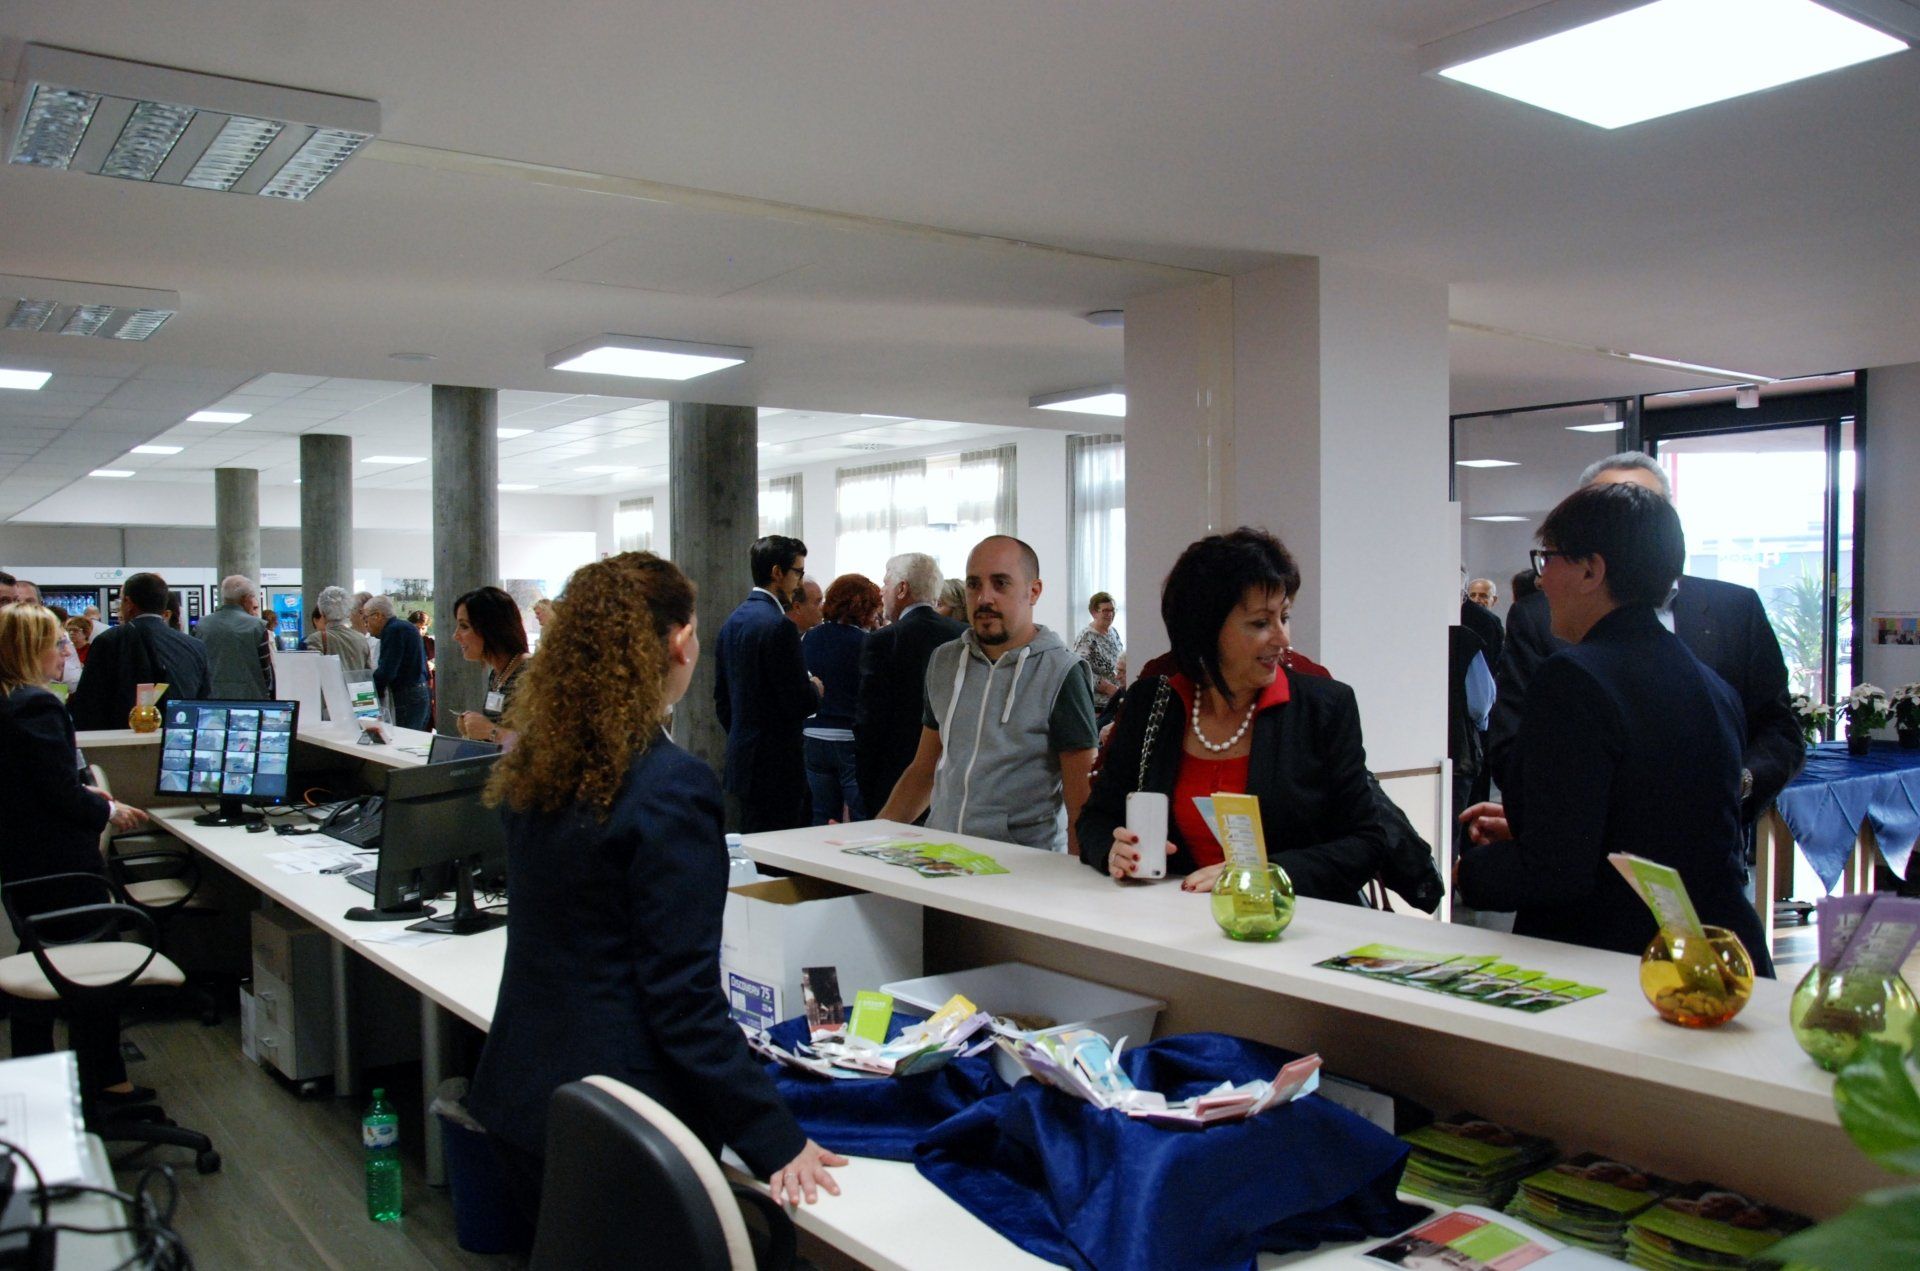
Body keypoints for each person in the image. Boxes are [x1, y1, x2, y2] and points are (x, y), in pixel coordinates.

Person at [467, 552, 843, 1219]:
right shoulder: (670, 786)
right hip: (623, 1118)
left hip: (525, 1096)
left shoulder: (536, 764)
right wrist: (777, 1140)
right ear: (677, 642)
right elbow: (683, 1001)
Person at [1457, 484, 1772, 970]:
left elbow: (1558, 870)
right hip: (1711, 954)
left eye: (1550, 560)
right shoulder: (1708, 684)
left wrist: (1468, 873)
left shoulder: (1573, 678)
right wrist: (1534, 826)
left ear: (1591, 569)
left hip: (1616, 960)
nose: (1541, 581)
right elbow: (1649, 821)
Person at [1487, 452, 1802, 825]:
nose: (1621, 523)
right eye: (1602, 510)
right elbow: (1513, 747)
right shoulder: (1540, 617)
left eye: (1637, 509)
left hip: (1708, 841)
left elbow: (1777, 728)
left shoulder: (1734, 609)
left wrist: (1735, 784)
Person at [1078, 529, 1388, 902]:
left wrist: (1263, 874)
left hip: (1295, 929)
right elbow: (1096, 819)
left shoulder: (1323, 708)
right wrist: (1112, 850)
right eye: (1261, 623)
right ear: (1206, 629)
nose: (1283, 638)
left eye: (1284, 617)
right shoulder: (1152, 704)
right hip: (1173, 930)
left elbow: (1367, 842)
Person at [0, 603, 154, 1104]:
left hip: (24, 866)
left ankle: (37, 1082)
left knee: (41, 961)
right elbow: (59, 792)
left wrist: (92, 799)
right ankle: (108, 1083)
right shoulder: (37, 706)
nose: (63, 651)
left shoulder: (9, 703)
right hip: (60, 863)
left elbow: (36, 786)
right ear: (30, 649)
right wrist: (106, 811)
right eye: (56, 643)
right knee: (90, 971)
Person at [877, 536, 1097, 853]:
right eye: (974, 584)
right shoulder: (945, 661)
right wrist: (870, 838)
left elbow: (1080, 800)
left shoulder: (1062, 672)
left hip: (1021, 869)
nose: (984, 598)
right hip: (942, 859)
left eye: (1000, 584)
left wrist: (1079, 885)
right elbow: (923, 772)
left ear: (1033, 591)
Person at [713, 535, 820, 832]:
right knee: (781, 854)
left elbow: (722, 698)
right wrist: (815, 689)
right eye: (797, 572)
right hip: (778, 766)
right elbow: (798, 701)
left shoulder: (733, 621)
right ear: (777, 573)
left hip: (744, 760)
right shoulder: (779, 625)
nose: (799, 582)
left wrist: (744, 735)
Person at [854, 552, 966, 815]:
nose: (881, 592)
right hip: (950, 773)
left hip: (893, 776)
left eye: (885, 583)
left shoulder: (884, 641)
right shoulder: (961, 636)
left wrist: (865, 781)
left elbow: (869, 721)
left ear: (902, 588)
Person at [68, 571, 209, 730]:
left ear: (128, 602)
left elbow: (88, 705)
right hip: (178, 738)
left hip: (120, 744)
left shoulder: (108, 641)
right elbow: (203, 702)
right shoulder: (195, 646)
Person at [801, 575, 880, 824]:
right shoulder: (868, 644)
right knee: (859, 819)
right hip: (849, 739)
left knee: (821, 816)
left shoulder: (809, 638)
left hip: (813, 735)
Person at [451, 586, 529, 746]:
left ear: (492, 628)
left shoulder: (530, 672)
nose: (455, 636)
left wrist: (490, 731)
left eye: (464, 626)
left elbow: (545, 746)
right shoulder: (497, 673)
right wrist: (475, 727)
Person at [194, 575, 277, 699]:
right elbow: (265, 672)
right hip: (250, 699)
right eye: (252, 597)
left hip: (211, 699)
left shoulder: (202, 625)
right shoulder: (258, 627)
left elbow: (196, 666)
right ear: (245, 599)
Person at [363, 595, 431, 730]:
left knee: (404, 740)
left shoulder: (393, 630)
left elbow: (388, 670)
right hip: (420, 691)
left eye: (366, 618)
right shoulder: (403, 627)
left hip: (408, 694)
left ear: (378, 615)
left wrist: (367, 694)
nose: (366, 624)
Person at [1073, 591, 1127, 722]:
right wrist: (1106, 687)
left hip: (1116, 698)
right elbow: (1080, 671)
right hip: (1098, 705)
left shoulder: (1113, 632)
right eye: (1105, 610)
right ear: (1094, 612)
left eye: (1112, 610)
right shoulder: (1086, 637)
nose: (1110, 614)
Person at [303, 585, 372, 671]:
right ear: (348, 611)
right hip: (355, 684)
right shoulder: (361, 639)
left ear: (322, 612)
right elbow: (368, 673)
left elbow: (311, 673)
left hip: (329, 684)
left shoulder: (316, 639)